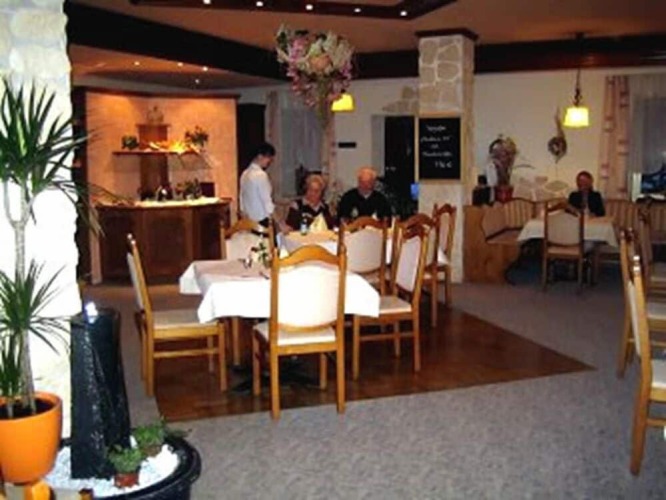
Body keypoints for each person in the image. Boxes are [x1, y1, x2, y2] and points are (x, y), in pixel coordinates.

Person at [239, 142, 279, 227]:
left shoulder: (244, 174)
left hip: (248, 221)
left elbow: (242, 201)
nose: (270, 161)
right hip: (262, 222)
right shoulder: (261, 175)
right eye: (269, 158)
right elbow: (268, 203)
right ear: (260, 156)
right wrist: (280, 223)